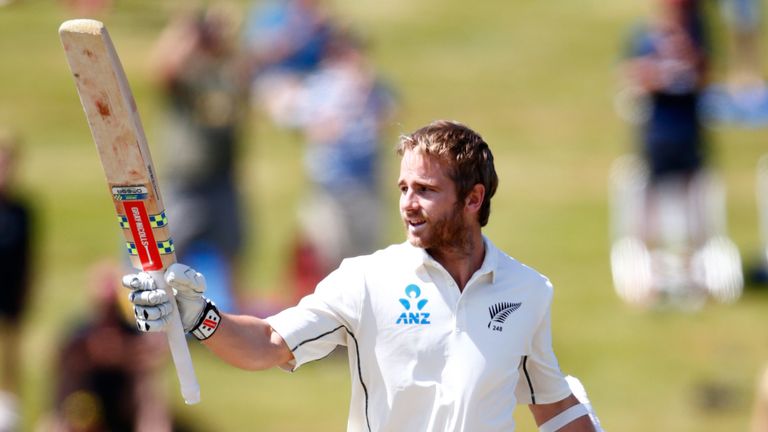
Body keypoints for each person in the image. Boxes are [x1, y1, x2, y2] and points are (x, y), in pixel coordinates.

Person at [123, 121, 600, 431]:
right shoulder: (367, 279)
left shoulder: (528, 292)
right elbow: (267, 343)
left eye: (426, 190)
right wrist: (200, 317)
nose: (408, 204)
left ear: (473, 199)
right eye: (403, 188)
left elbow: (553, 405)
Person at [149, 4, 250, 314]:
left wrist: (225, 36)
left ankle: (231, 321)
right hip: (185, 181)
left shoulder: (227, 72)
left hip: (223, 179)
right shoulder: (188, 71)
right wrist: (188, 29)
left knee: (232, 253)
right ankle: (158, 321)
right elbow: (162, 69)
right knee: (164, 257)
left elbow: (247, 73)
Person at [40, 260, 175, 432]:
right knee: (66, 386)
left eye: (113, 307)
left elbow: (156, 355)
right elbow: (59, 358)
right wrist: (90, 355)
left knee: (148, 389)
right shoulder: (81, 333)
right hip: (87, 402)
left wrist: (123, 354)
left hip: (125, 403)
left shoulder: (133, 333)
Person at [0, 130, 34, 431]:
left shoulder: (22, 209)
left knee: (11, 357)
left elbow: (29, 256)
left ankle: (11, 411)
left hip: (10, 294)